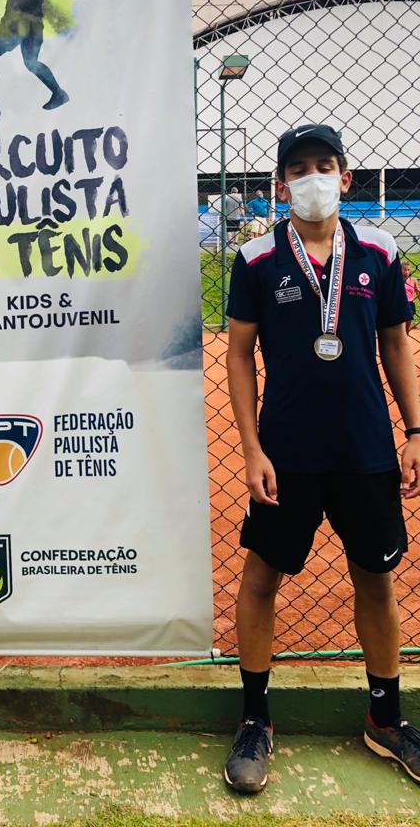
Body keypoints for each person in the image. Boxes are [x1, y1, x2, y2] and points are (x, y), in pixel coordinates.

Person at [223, 123, 420, 794]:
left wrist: (415, 431)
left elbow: (395, 343)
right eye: (298, 168)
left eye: (324, 165)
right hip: (286, 452)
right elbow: (238, 356)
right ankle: (255, 720)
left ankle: (385, 719)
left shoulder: (380, 251)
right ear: (282, 184)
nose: (312, 178)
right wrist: (252, 448)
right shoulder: (255, 258)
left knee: (376, 579)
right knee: (261, 577)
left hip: (365, 449)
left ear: (346, 177)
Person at [403, 260, 417, 336]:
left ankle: (406, 332)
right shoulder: (398, 280)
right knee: (401, 322)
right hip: (401, 302)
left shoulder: (413, 280)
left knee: (408, 321)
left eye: (408, 270)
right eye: (404, 269)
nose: (406, 272)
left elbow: (418, 292)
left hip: (410, 303)